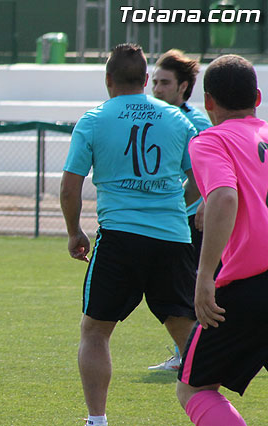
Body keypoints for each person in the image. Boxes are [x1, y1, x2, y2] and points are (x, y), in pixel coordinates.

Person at [60, 43, 200, 426]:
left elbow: (70, 187)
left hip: (119, 237)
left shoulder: (94, 119)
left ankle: (97, 420)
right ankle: (210, 412)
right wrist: (176, 205)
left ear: (108, 81)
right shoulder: (176, 119)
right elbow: (201, 179)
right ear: (144, 81)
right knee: (186, 332)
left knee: (95, 331)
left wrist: (75, 232)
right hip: (172, 238)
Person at [176, 54, 268, 426]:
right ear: (257, 98)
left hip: (248, 285)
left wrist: (203, 277)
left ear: (208, 101)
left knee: (195, 388)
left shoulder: (210, 140)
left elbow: (225, 196)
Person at [148, 49, 213, 371]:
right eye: (155, 82)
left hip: (196, 219)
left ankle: (195, 356)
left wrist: (202, 205)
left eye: (164, 83)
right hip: (176, 218)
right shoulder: (158, 117)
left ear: (183, 87)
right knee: (182, 288)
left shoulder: (195, 122)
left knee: (192, 287)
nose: (157, 89)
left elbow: (208, 173)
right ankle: (187, 354)